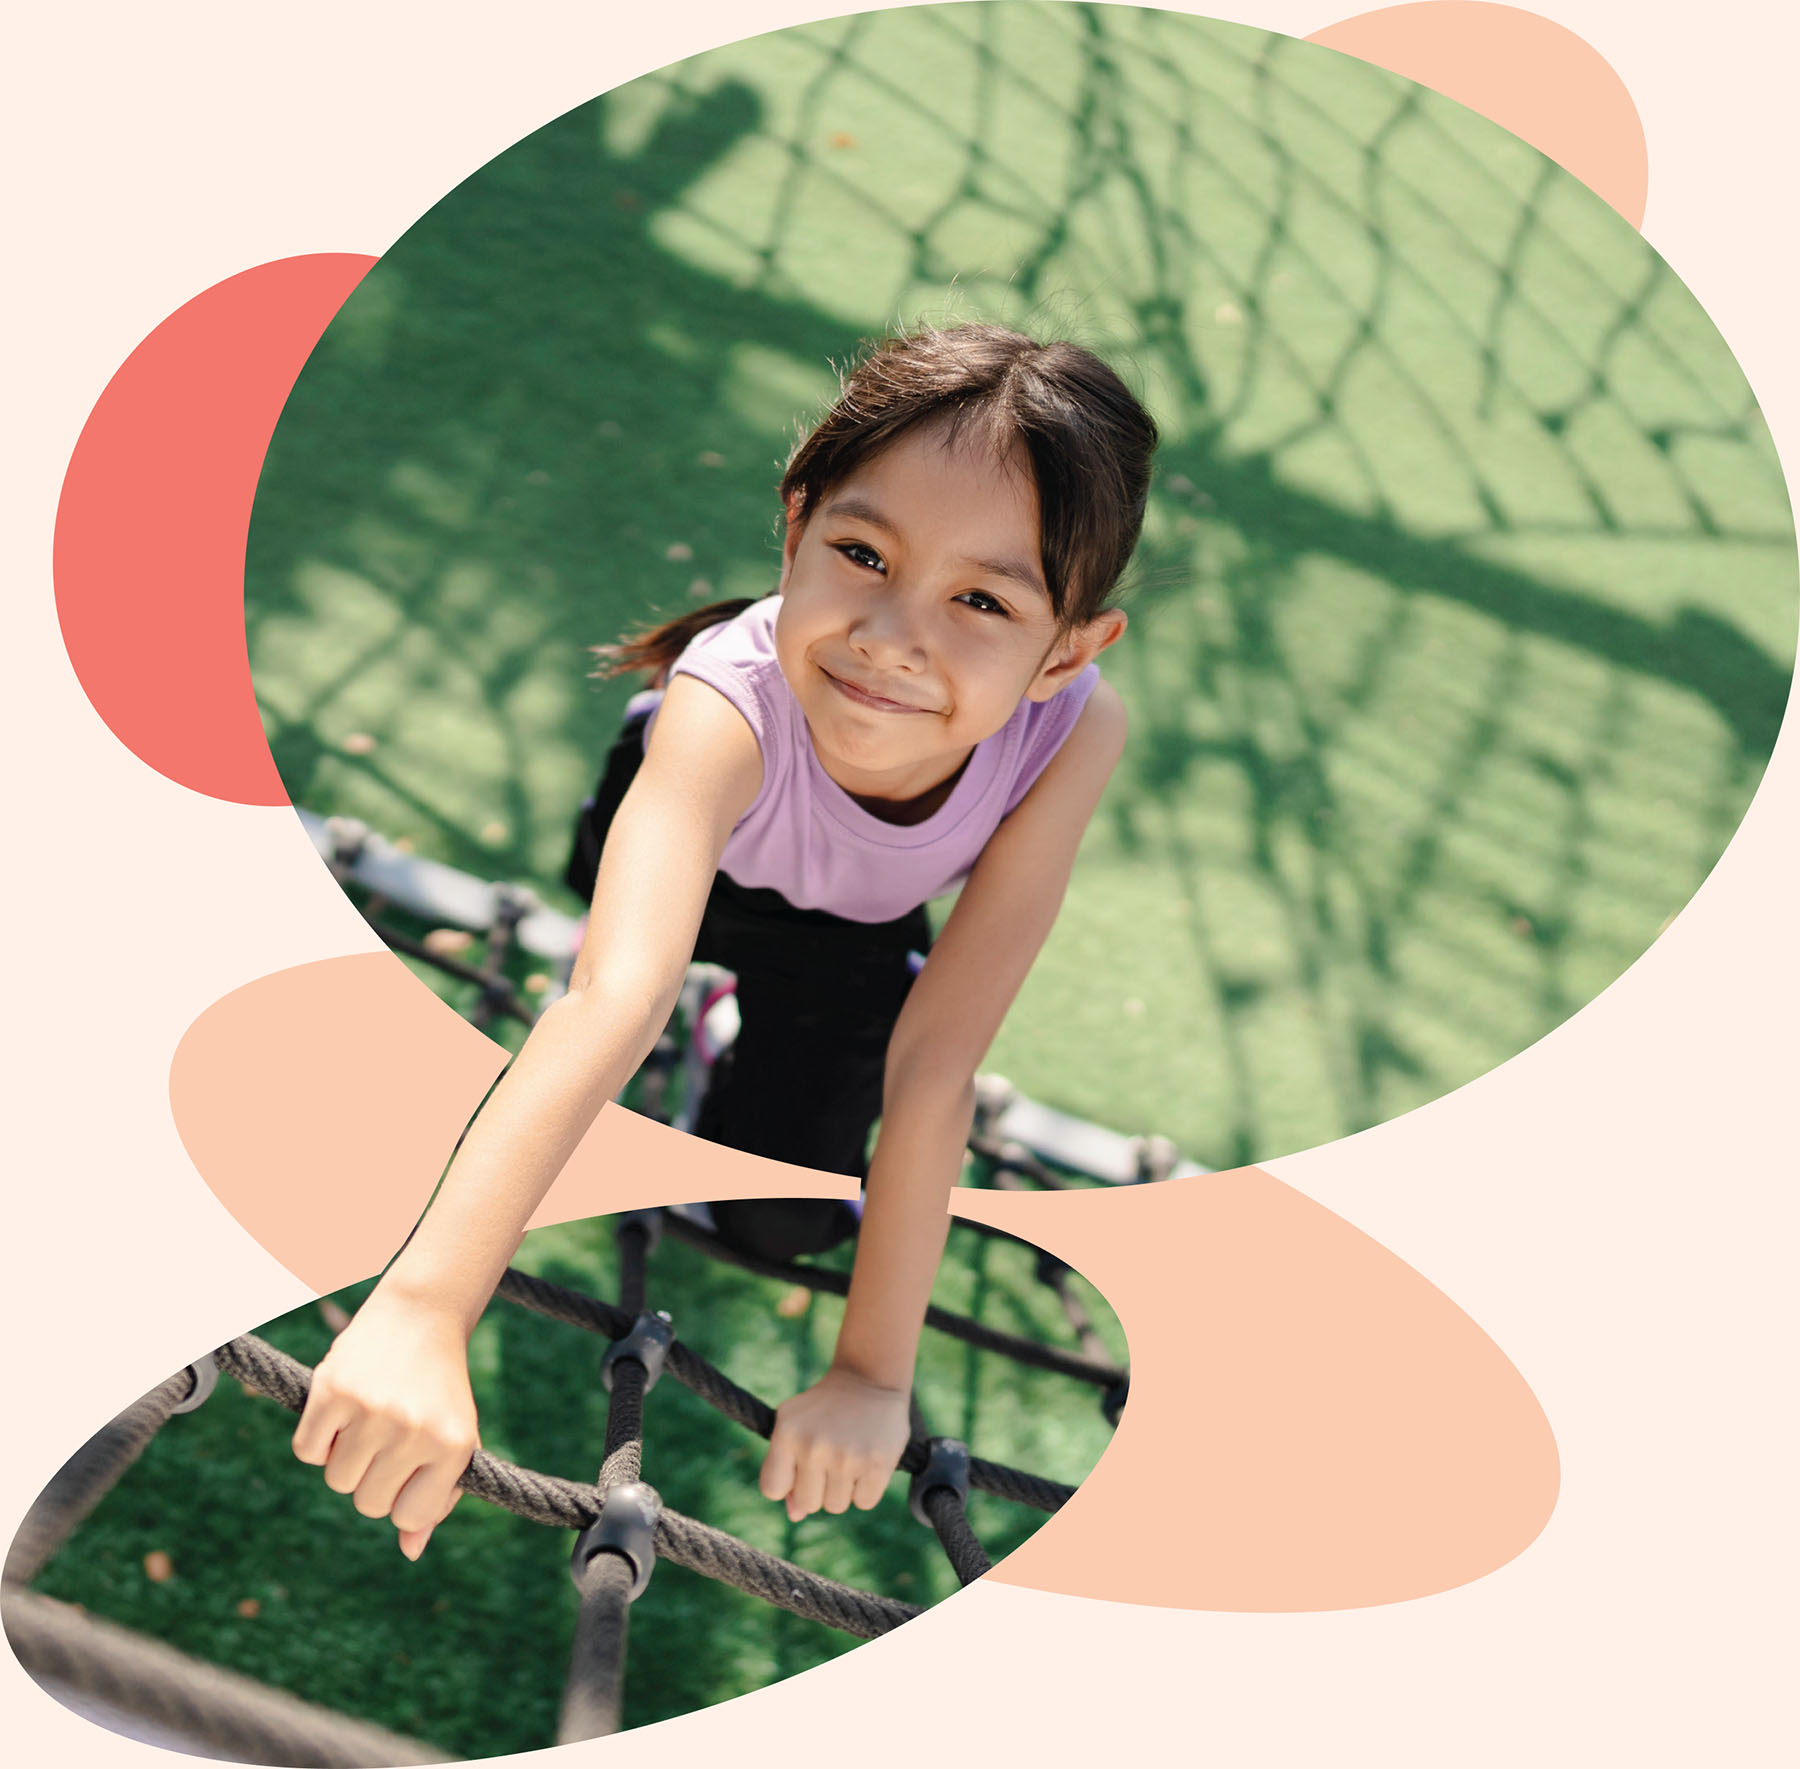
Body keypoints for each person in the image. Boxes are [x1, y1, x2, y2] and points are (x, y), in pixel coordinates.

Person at [291, 322, 1158, 1554]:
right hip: (694, 855)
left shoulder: (1075, 731)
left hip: (852, 927)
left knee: (772, 1225)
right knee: (614, 950)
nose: (891, 636)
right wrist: (425, 1307)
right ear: (796, 523)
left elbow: (934, 1061)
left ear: (1065, 650)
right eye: (861, 553)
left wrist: (870, 1371)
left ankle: (729, 1025)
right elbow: (609, 995)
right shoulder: (721, 704)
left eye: (980, 599)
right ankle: (699, 997)